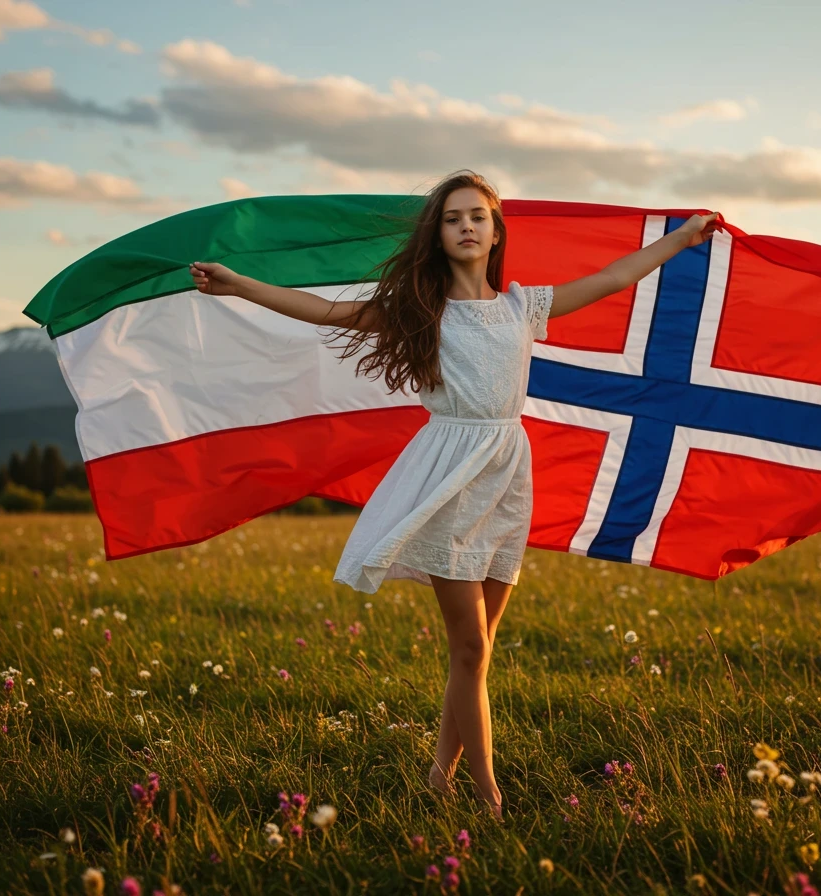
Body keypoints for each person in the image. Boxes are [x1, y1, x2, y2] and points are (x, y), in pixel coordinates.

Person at [189, 170, 722, 821]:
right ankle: (486, 794)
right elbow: (326, 313)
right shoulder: (423, 309)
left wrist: (683, 238)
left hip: (506, 473)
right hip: (447, 473)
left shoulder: (523, 307)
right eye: (453, 217)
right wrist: (239, 284)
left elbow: (612, 278)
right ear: (438, 235)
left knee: (479, 650)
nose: (467, 225)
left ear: (496, 231)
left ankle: (439, 778)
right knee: (468, 647)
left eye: (478, 216)